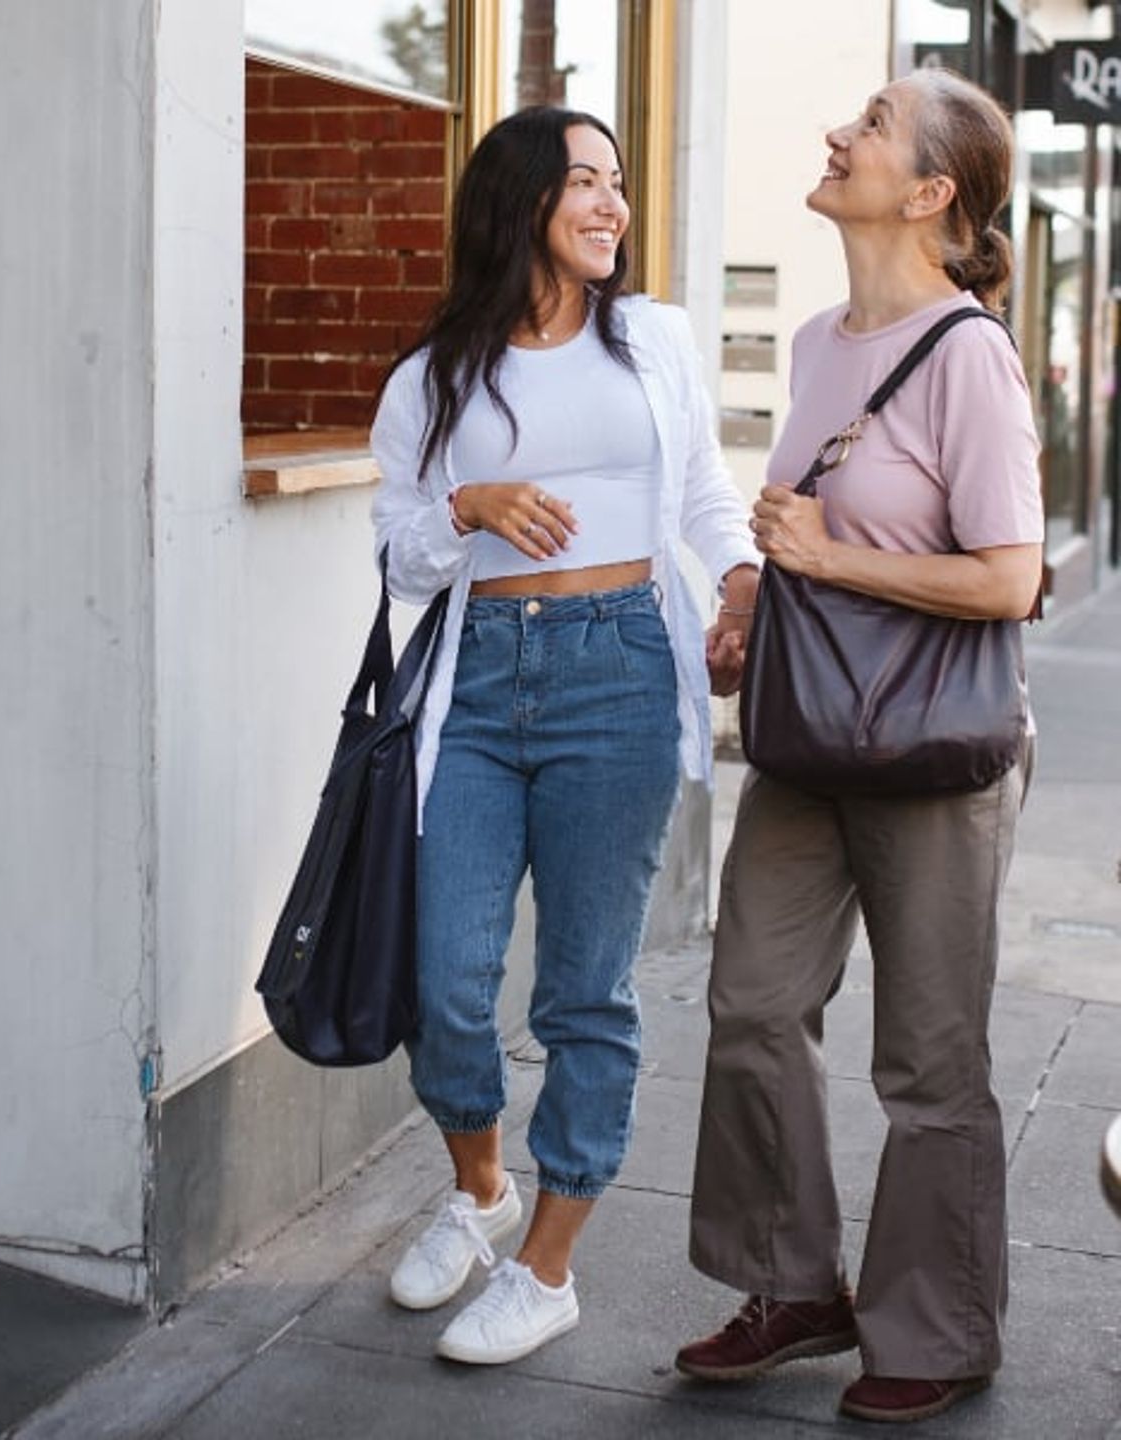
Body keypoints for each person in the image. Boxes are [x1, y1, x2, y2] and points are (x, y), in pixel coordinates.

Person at [675, 70, 1044, 1425]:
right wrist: (759, 591)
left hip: (939, 754)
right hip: (810, 733)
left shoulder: (973, 356)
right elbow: (817, 528)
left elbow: (1010, 581)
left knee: (929, 1059)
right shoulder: (824, 339)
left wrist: (826, 555)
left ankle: (936, 1329)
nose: (840, 134)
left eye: (875, 126)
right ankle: (794, 1284)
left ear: (933, 192)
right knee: (754, 1004)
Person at [370, 105, 758, 1367]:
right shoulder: (435, 375)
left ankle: (547, 1268)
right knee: (446, 978)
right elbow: (400, 553)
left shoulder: (652, 341)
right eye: (584, 180)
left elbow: (702, 489)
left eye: (620, 183)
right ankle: (480, 1192)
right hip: (479, 685)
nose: (611, 204)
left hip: (620, 672)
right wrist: (464, 505)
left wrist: (741, 577)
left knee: (586, 991)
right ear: (519, 200)